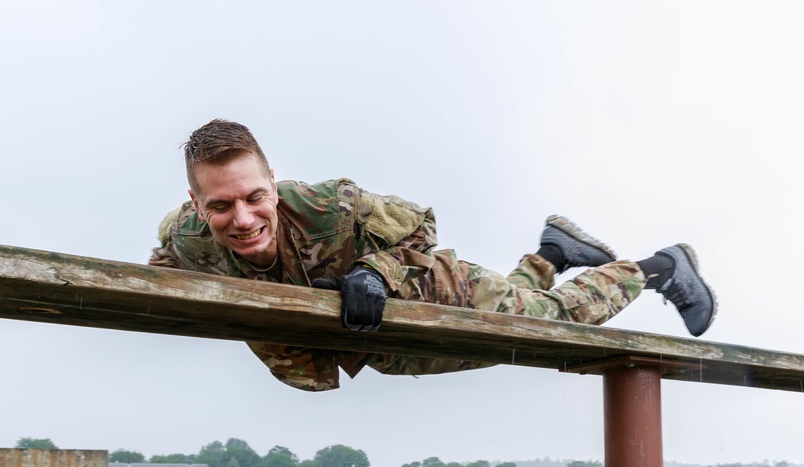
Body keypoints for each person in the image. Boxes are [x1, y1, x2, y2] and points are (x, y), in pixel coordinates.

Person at [150, 119, 717, 392]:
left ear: (273, 181)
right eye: (222, 206)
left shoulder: (331, 204)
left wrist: (373, 272)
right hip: (379, 344)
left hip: (428, 288)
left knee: (545, 327)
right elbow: (159, 274)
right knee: (519, 316)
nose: (244, 219)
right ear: (196, 204)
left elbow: (420, 225)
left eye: (255, 197)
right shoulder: (184, 238)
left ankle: (658, 267)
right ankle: (552, 251)